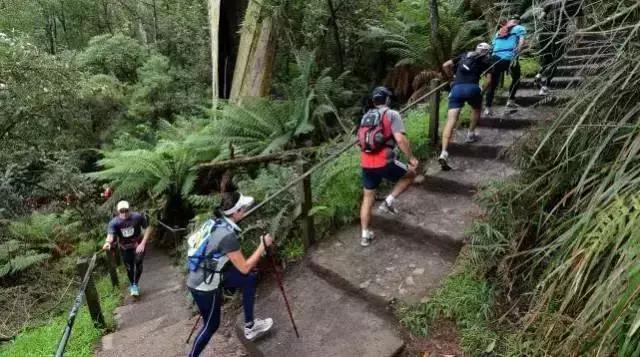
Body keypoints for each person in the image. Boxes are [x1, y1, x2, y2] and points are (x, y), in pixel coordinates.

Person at [186, 191, 274, 357]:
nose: (246, 210)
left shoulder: (215, 223)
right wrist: (263, 245)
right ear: (236, 213)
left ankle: (250, 326)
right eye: (244, 208)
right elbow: (245, 267)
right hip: (204, 286)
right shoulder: (228, 236)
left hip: (201, 274)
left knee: (248, 279)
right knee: (211, 326)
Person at [358, 86, 418, 247]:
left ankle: (365, 235)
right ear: (388, 99)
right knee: (411, 174)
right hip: (384, 160)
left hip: (366, 162)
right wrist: (411, 158)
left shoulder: (366, 115)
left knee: (367, 197)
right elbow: (400, 139)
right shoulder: (391, 114)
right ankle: (388, 202)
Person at [438, 43, 494, 170]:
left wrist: (451, 77)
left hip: (456, 88)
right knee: (476, 108)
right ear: (487, 52)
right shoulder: (486, 60)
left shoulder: (464, 55)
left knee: (451, 120)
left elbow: (445, 65)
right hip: (473, 88)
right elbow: (489, 81)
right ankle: (470, 134)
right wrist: (482, 91)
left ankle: (444, 152)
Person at [103, 201, 151, 297]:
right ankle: (132, 283)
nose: (124, 213)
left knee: (138, 262)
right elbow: (110, 235)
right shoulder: (114, 222)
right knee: (129, 268)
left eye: (126, 210)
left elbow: (148, 228)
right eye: (122, 211)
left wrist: (143, 243)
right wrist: (108, 243)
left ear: (130, 209)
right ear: (118, 211)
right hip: (125, 247)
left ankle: (135, 285)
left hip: (138, 245)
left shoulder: (137, 217)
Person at [535, 0, 583, 95]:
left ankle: (538, 75)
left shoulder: (551, 2)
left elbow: (540, 18)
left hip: (545, 34)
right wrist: (576, 40)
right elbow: (578, 25)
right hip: (559, 35)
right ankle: (545, 86)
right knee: (556, 61)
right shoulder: (577, 4)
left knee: (547, 59)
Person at [484, 15, 527, 115]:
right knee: (516, 78)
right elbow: (521, 41)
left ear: (509, 21)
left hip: (495, 58)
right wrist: (518, 51)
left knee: (493, 84)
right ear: (518, 22)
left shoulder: (500, 31)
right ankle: (510, 100)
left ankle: (488, 108)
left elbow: (493, 46)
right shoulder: (519, 28)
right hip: (509, 58)